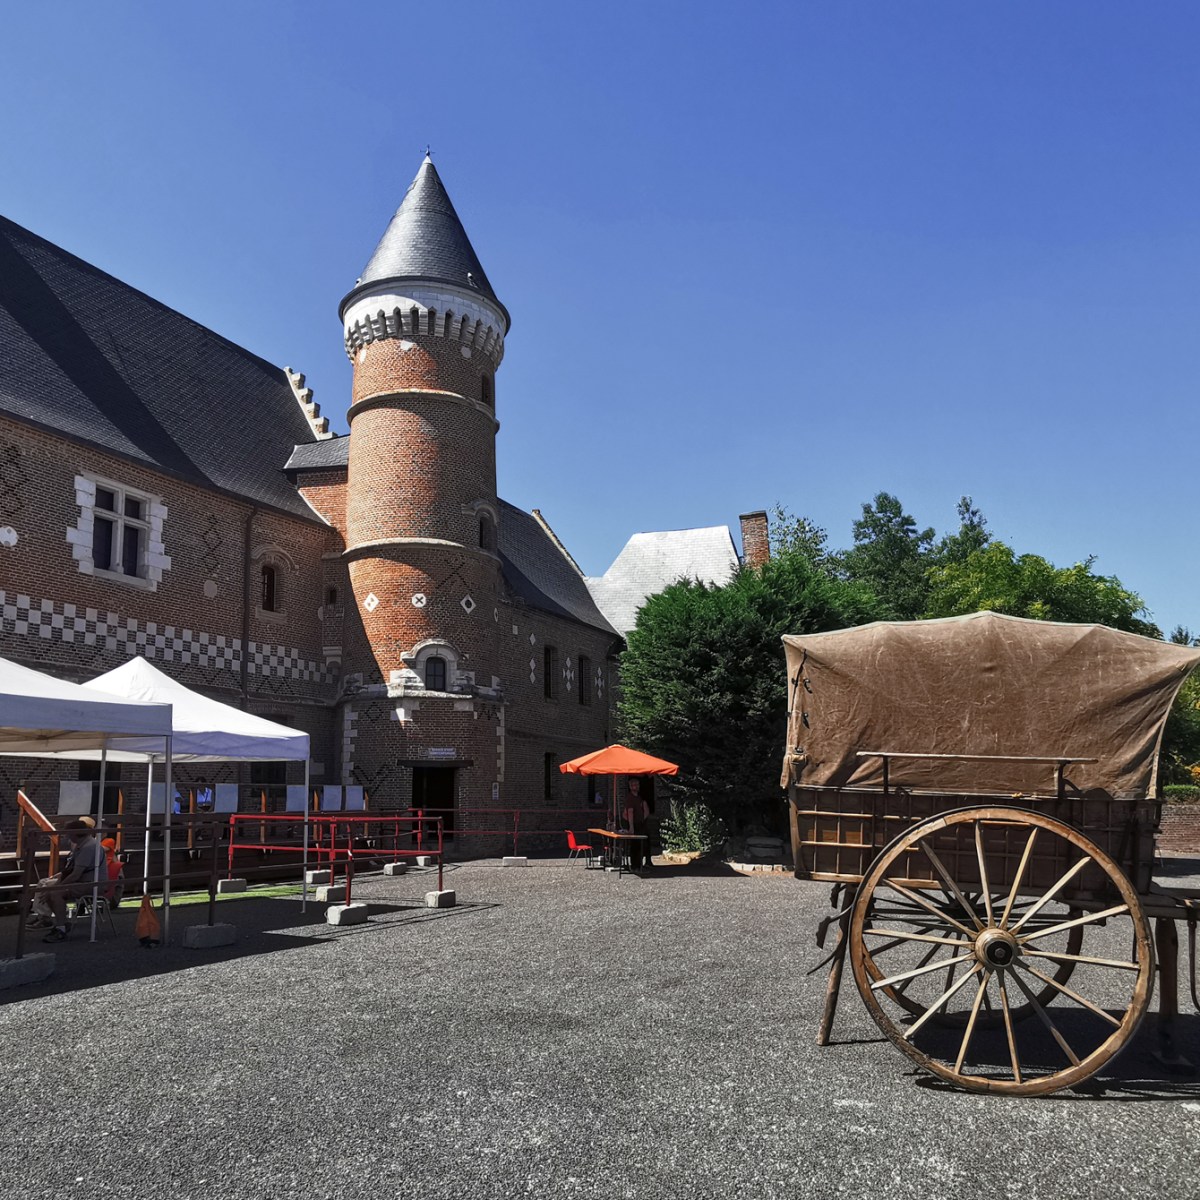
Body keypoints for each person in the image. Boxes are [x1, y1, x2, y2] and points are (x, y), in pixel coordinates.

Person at [28, 819, 108, 942]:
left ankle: (61, 928)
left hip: (92, 884)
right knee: (48, 888)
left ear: (76, 834)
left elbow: (76, 874)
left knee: (55, 893)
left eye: (69, 834)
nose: (67, 836)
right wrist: (56, 881)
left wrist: (56, 886)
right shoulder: (82, 845)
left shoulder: (89, 847)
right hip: (83, 881)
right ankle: (59, 923)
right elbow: (70, 870)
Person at [622, 778, 650, 870]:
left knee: (640, 845)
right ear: (630, 787)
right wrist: (631, 826)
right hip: (634, 824)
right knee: (635, 845)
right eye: (635, 785)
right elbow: (630, 812)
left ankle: (639, 864)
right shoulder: (630, 798)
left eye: (638, 784)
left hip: (640, 823)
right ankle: (634, 865)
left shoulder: (638, 797)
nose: (637, 786)